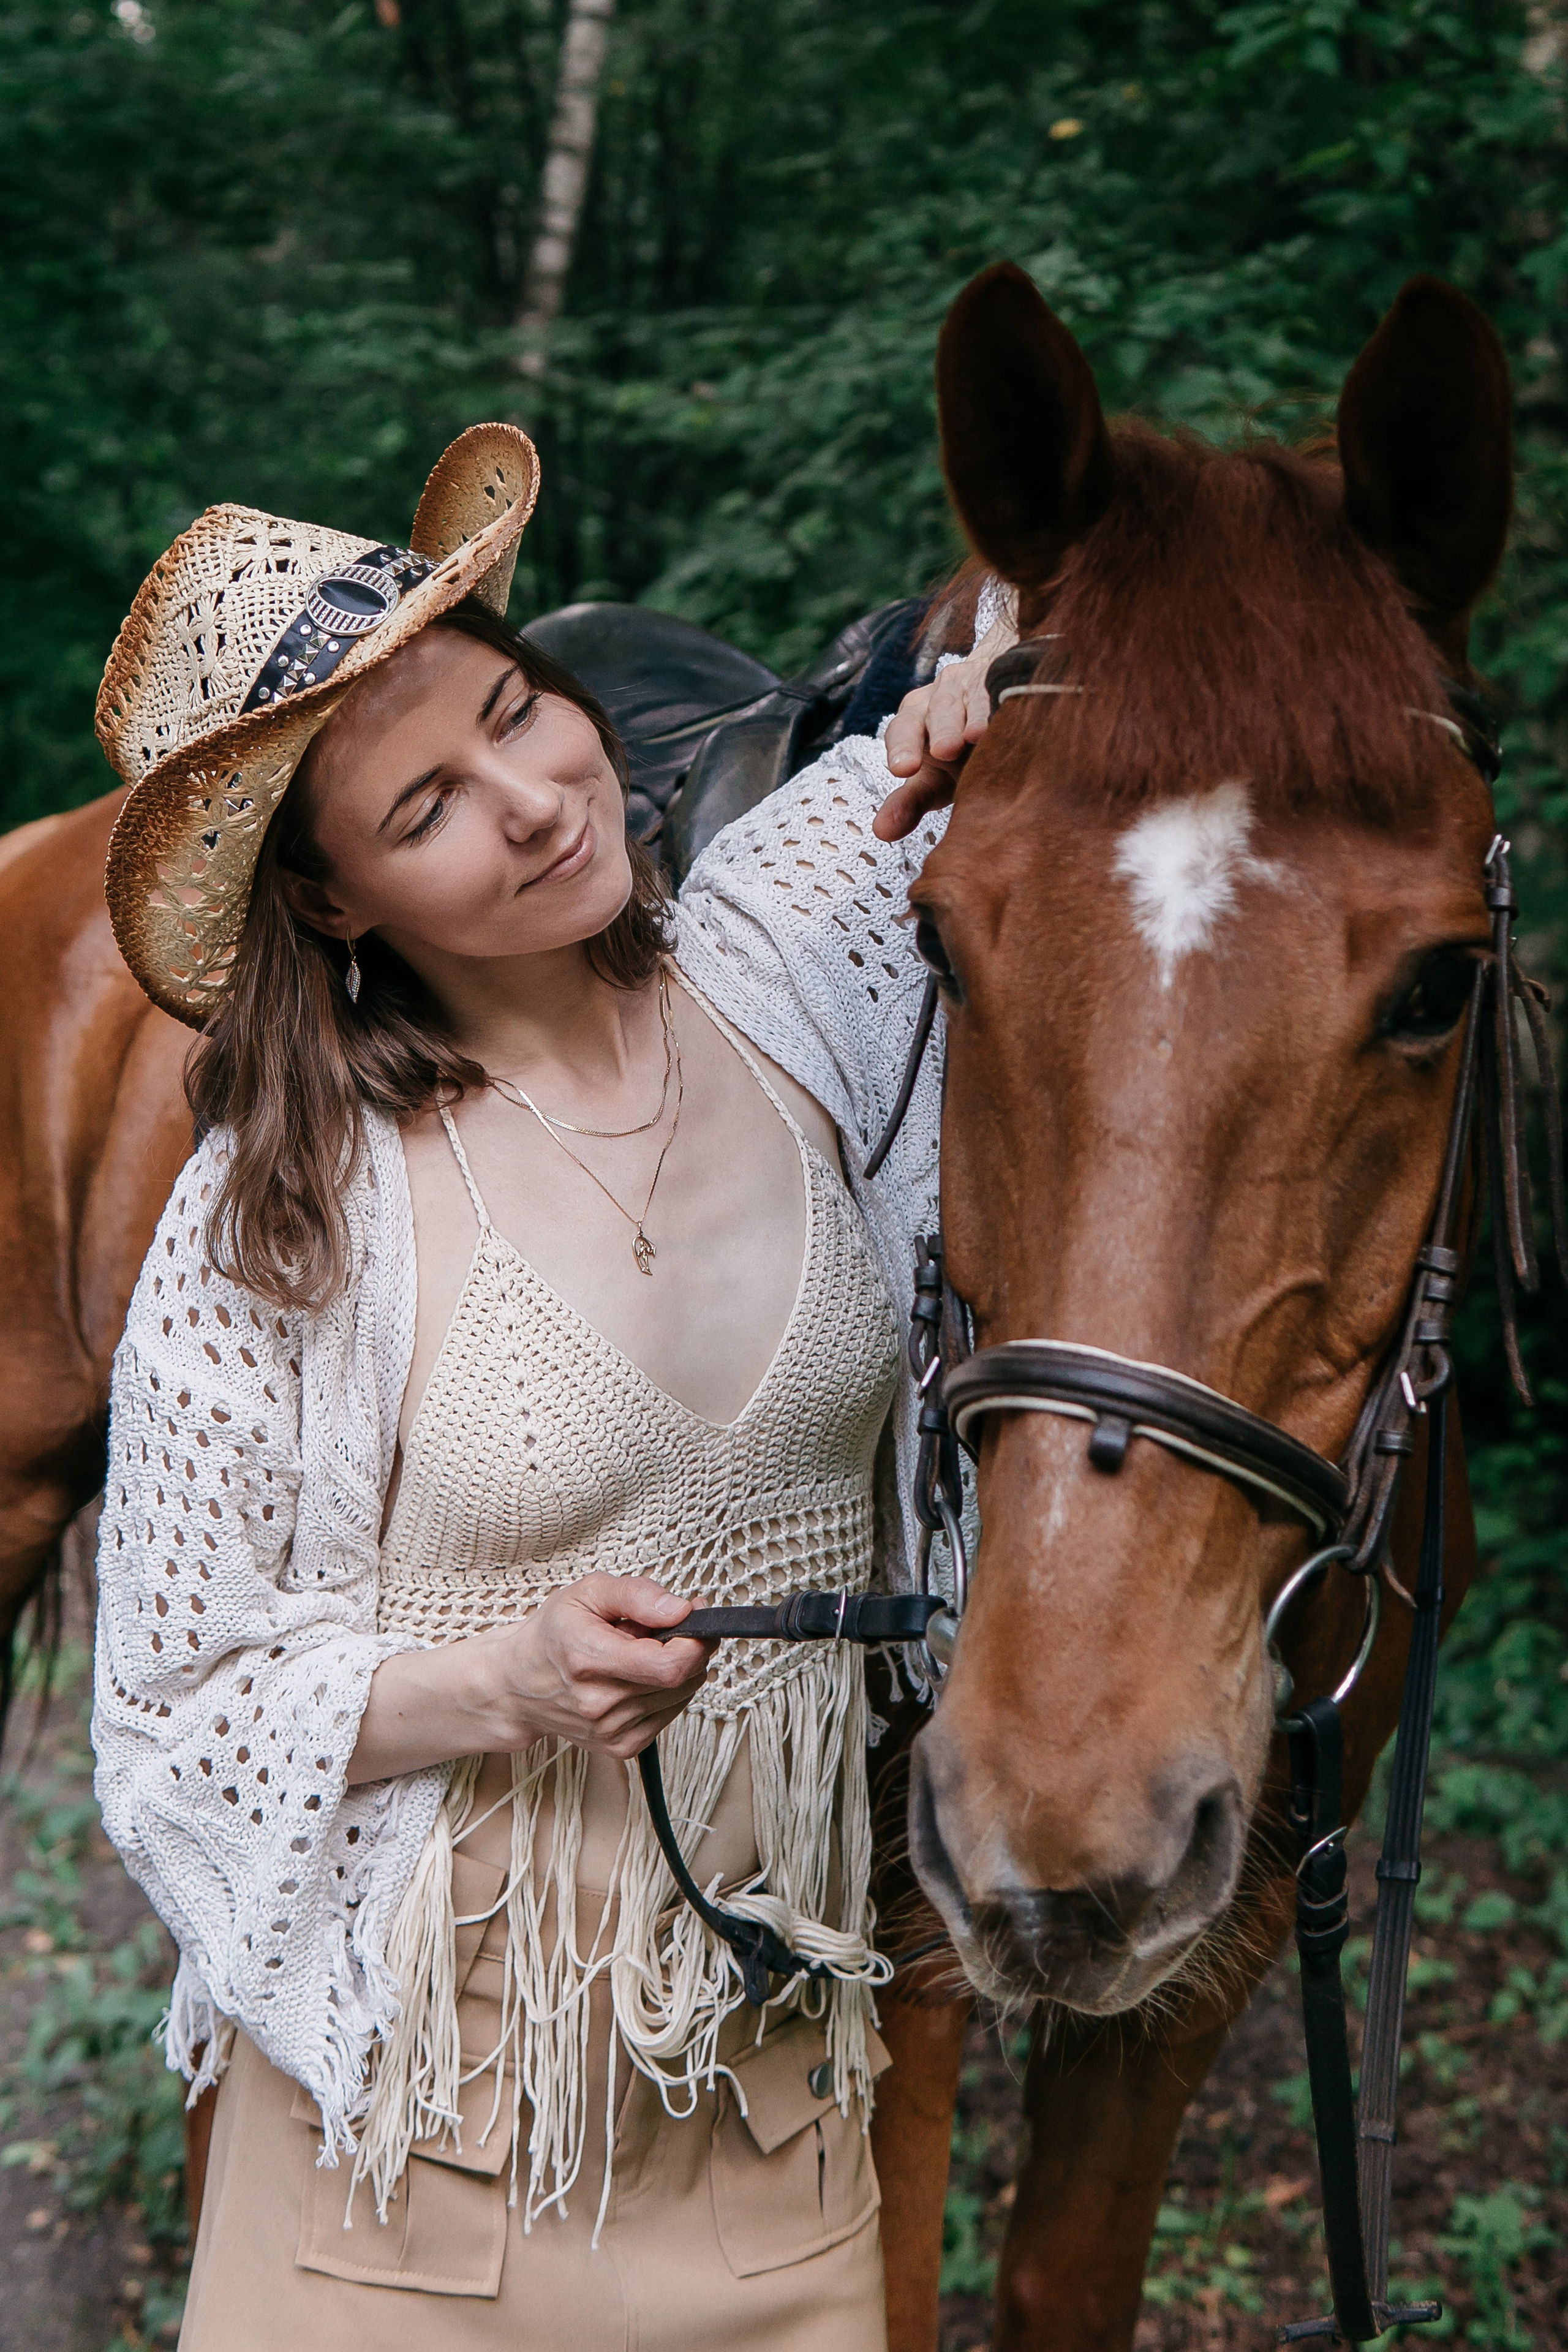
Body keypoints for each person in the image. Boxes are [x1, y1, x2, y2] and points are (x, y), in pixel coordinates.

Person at [90, 424, 1010, 2350]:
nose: (532, 799)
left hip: (775, 2107)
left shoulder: (781, 963)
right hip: (418, 2136)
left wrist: (969, 716)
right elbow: (174, 1717)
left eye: (521, 710)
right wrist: (494, 1682)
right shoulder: (284, 1210)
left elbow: (1017, 693)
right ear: (334, 903)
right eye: (426, 804)